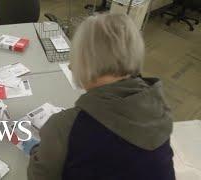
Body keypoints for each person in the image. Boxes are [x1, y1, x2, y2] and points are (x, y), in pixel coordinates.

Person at [27, 13, 175, 180]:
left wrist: (39, 151)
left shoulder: (64, 126)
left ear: (85, 62)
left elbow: (38, 176)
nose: (69, 66)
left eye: (75, 58)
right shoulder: (159, 107)